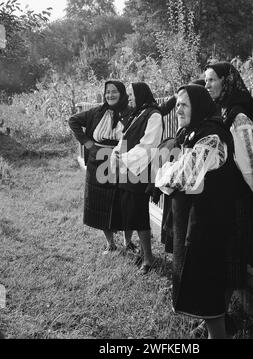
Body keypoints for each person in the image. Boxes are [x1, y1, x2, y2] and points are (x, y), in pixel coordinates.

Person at [155, 84, 236, 339]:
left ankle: (218, 334)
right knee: (196, 277)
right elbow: (172, 172)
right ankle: (207, 324)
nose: (178, 108)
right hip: (192, 218)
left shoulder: (212, 136)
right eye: (177, 103)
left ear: (199, 106)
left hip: (208, 222)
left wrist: (165, 173)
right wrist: (168, 173)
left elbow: (182, 175)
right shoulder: (191, 133)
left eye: (184, 104)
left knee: (206, 281)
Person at [204, 62, 253, 323]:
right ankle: (216, 314)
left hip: (234, 199)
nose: (206, 85)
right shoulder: (222, 111)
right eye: (206, 81)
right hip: (221, 198)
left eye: (211, 80)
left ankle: (222, 315)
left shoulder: (238, 115)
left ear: (226, 81)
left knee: (231, 256)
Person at [68, 80, 135, 254]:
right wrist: (87, 143)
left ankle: (129, 242)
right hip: (98, 161)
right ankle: (110, 243)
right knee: (101, 202)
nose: (110, 95)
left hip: (123, 162)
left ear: (122, 93)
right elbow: (73, 120)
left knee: (125, 202)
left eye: (114, 91)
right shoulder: (96, 112)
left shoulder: (131, 114)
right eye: (107, 92)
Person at [111, 82, 163, 274]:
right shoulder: (138, 113)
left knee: (139, 214)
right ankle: (142, 252)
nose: (130, 97)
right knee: (130, 212)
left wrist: (124, 157)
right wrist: (117, 153)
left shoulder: (154, 115)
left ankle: (149, 258)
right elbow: (124, 138)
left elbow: (148, 145)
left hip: (141, 170)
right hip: (128, 169)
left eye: (132, 94)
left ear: (141, 94)